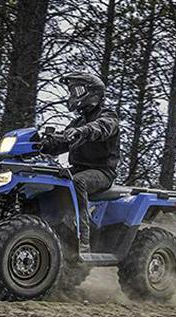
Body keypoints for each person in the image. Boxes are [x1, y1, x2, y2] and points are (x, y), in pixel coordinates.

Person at [41, 72, 120, 254]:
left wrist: (83, 131)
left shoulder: (108, 116)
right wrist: (44, 144)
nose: (73, 96)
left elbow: (102, 127)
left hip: (102, 172)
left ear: (93, 93)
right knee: (49, 178)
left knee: (78, 182)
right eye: (71, 92)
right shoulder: (77, 122)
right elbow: (63, 143)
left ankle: (83, 238)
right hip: (77, 168)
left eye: (77, 90)